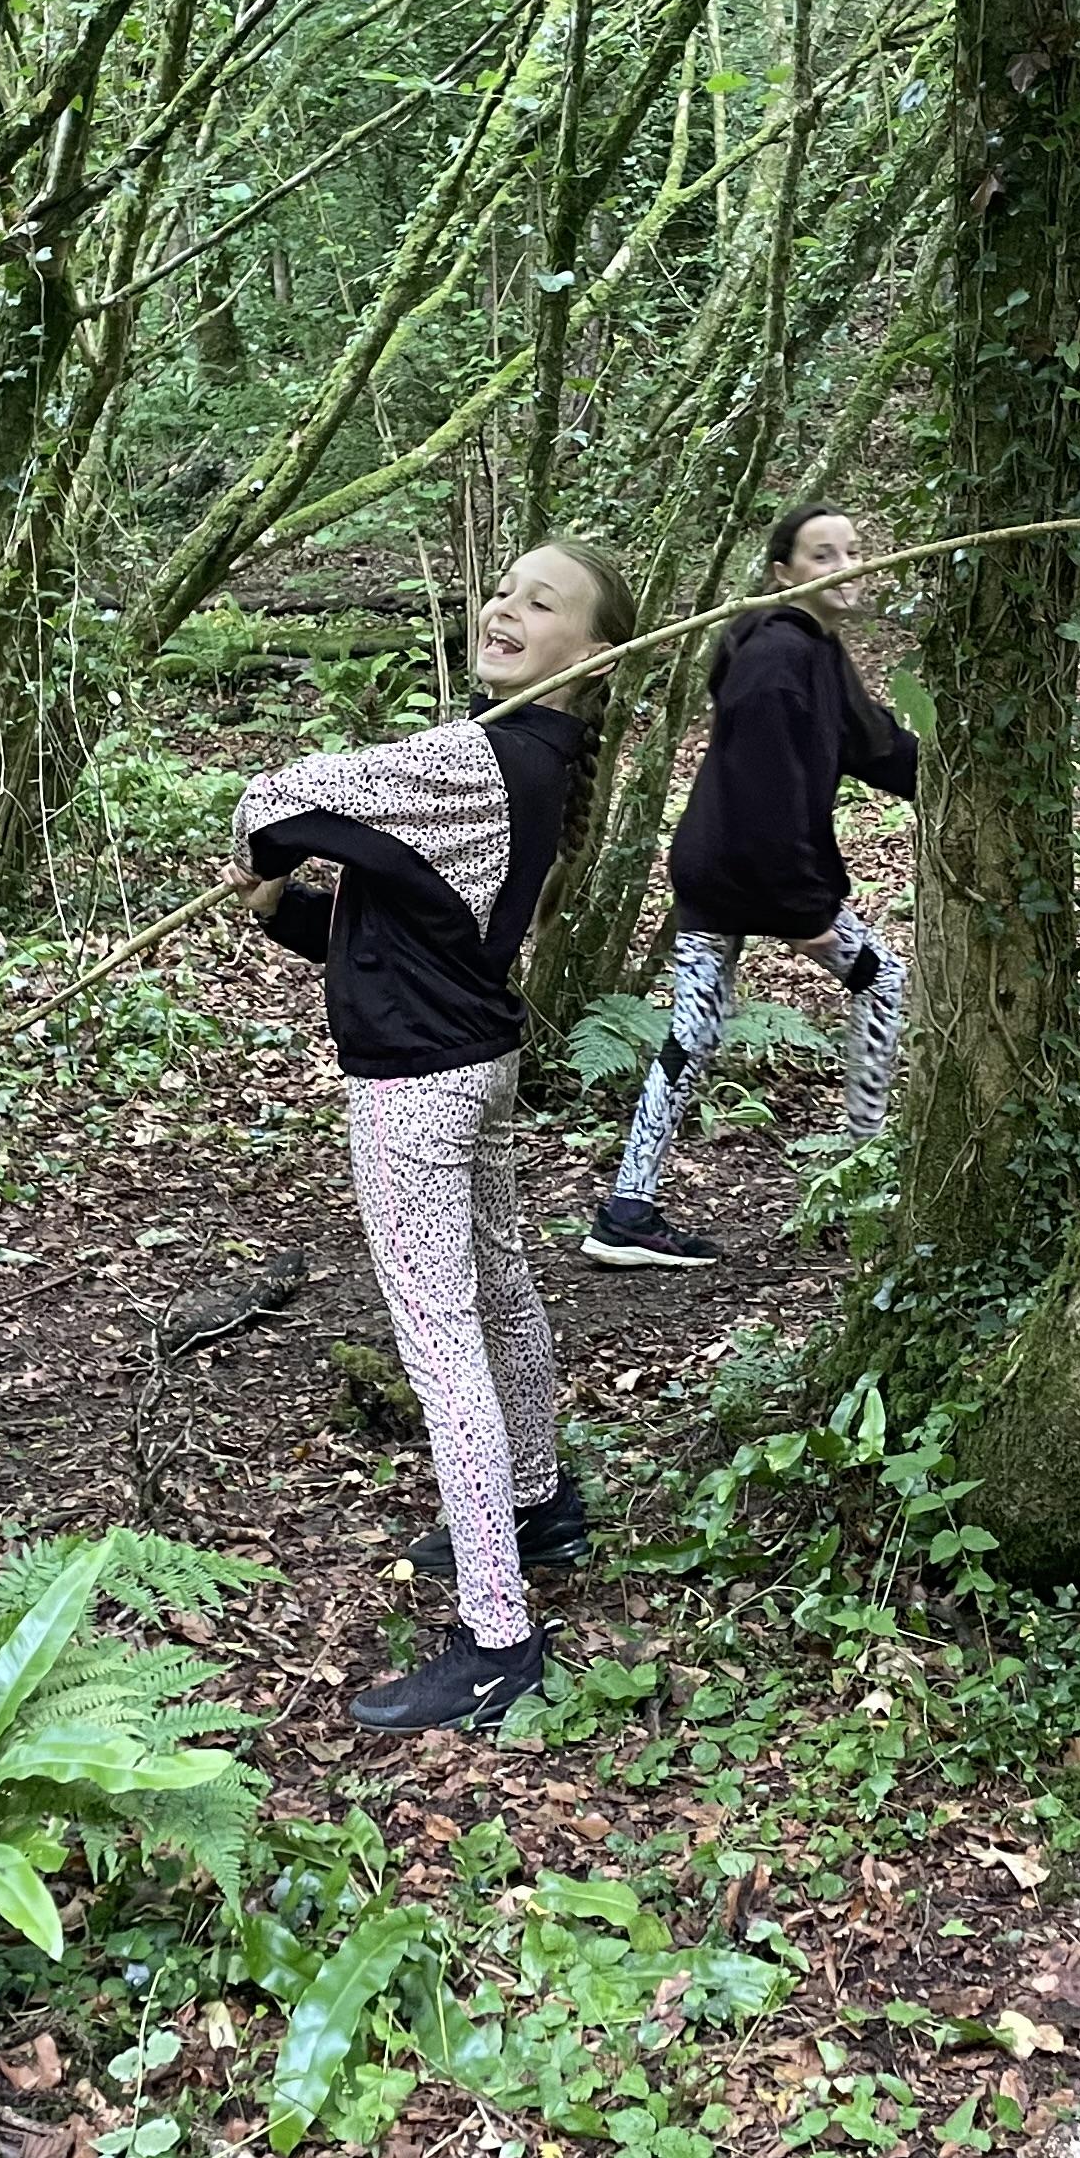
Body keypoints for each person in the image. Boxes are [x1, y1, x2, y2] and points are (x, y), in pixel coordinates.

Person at [230, 539, 635, 1732]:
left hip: (416, 1086)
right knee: (498, 1293)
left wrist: (264, 849)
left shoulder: (478, 755)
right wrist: (282, 904)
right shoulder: (531, 760)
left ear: (595, 654)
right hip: (469, 1060)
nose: (504, 609)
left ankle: (498, 1636)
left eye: (541, 603)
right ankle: (535, 1504)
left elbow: (276, 800)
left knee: (442, 1335)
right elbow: (402, 935)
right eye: (502, 590)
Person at [585, 500, 915, 1270]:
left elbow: (870, 742)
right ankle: (863, 1183)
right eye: (823, 555)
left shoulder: (815, 648)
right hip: (746, 872)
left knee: (693, 1034)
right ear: (782, 573)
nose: (847, 567)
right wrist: (801, 910)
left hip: (719, 867)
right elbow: (766, 792)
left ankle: (627, 1209)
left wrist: (955, 779)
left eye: (853, 551)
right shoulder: (775, 658)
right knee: (883, 982)